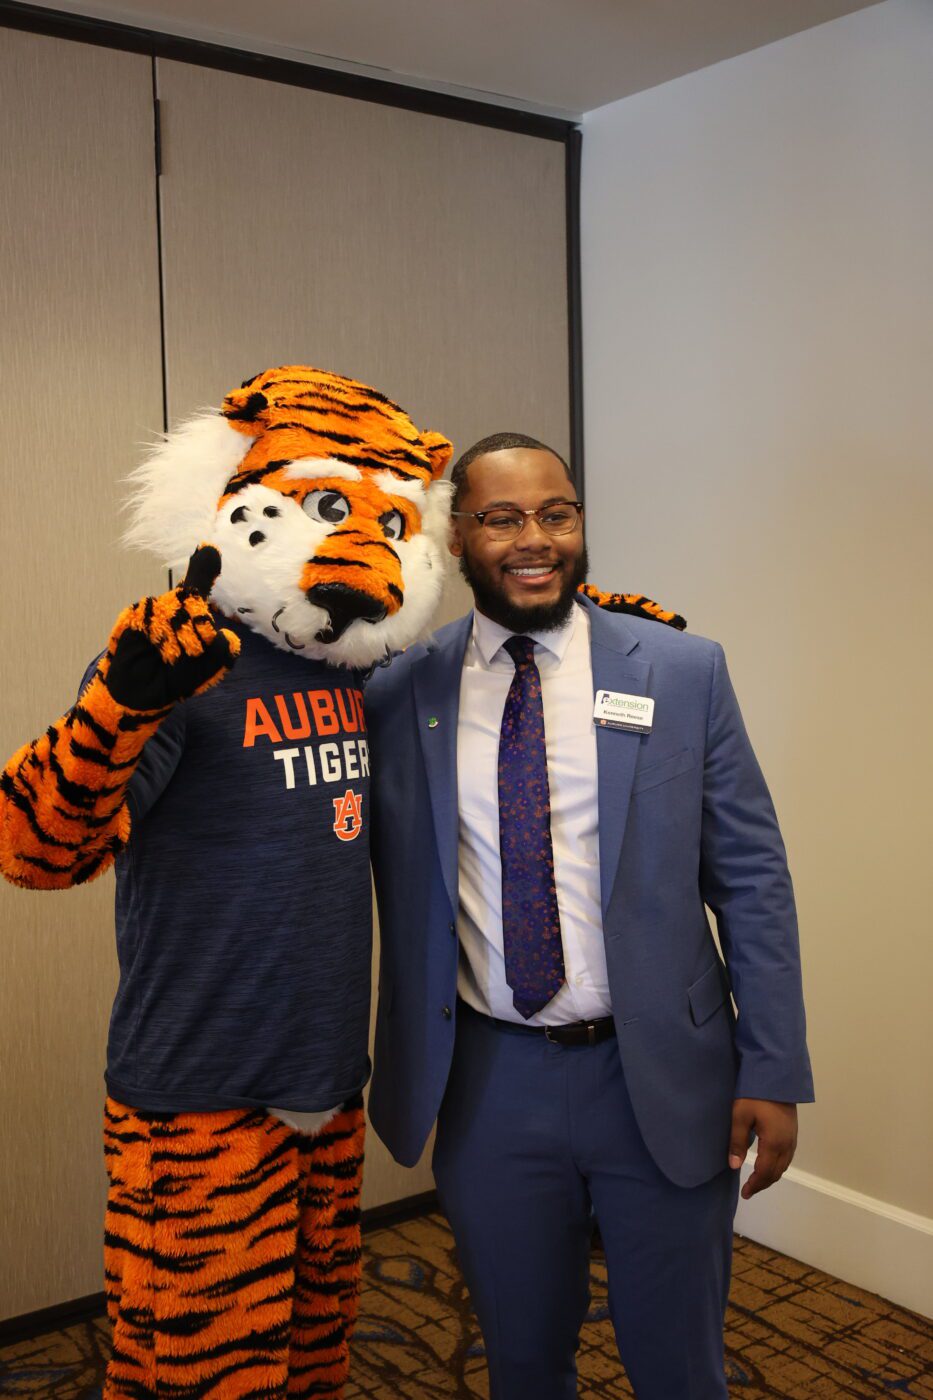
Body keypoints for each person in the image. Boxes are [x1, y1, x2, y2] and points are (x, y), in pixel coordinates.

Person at [364, 432, 813, 1400]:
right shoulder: (402, 692)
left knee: (680, 1365)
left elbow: (752, 877)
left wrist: (773, 1063)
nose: (536, 538)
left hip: (659, 1072)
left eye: (557, 513)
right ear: (455, 535)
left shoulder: (682, 672)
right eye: (503, 517)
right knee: (523, 1361)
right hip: (490, 1081)